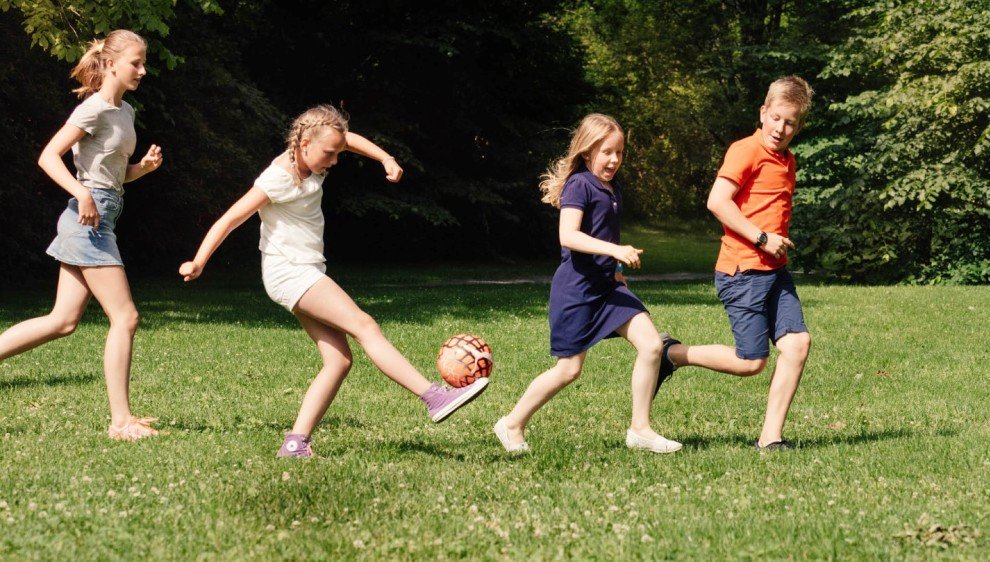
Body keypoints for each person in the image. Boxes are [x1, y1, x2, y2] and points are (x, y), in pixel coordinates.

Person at [178, 105, 489, 458]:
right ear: (304, 142)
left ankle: (295, 443)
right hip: (290, 270)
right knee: (365, 325)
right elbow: (232, 217)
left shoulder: (315, 153)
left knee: (338, 360)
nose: (335, 160)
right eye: (329, 153)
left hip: (304, 269)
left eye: (336, 153)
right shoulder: (278, 177)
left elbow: (345, 139)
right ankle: (433, 397)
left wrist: (384, 158)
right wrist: (199, 260)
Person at [0, 30, 164, 441]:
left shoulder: (124, 112)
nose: (143, 71)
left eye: (144, 64)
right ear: (111, 64)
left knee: (63, 320)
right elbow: (48, 157)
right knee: (125, 316)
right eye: (136, 63)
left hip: (102, 214)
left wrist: (141, 168)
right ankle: (121, 421)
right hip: (86, 220)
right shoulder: (91, 110)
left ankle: (122, 419)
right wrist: (80, 192)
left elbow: (113, 176)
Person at [493, 113, 682, 454]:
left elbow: (603, 231)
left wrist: (615, 269)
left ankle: (640, 429)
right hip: (576, 292)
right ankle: (511, 423)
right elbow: (568, 235)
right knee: (568, 370)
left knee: (652, 346)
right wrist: (616, 250)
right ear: (586, 151)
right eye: (606, 152)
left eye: (619, 153)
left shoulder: (612, 188)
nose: (614, 160)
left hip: (608, 287)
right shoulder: (579, 184)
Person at [656, 76, 814, 451]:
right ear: (763, 113)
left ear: (799, 126)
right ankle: (672, 354)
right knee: (750, 362)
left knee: (797, 344)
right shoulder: (745, 150)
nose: (781, 128)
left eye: (790, 122)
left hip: (775, 271)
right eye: (776, 118)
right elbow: (717, 202)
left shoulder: (788, 160)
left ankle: (770, 438)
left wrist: (774, 244)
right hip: (743, 272)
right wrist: (762, 238)